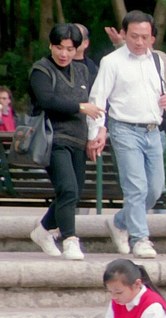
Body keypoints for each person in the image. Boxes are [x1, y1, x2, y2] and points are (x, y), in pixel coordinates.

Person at [87, 10, 166, 259]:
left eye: (145, 37)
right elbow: (98, 98)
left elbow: (159, 93)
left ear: (152, 38)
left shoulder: (156, 60)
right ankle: (140, 239)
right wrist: (96, 131)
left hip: (152, 130)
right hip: (124, 128)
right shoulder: (112, 62)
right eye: (134, 36)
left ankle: (119, 222)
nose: (139, 42)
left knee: (154, 189)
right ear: (124, 34)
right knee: (136, 187)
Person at [27, 23, 104, 261]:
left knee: (73, 192)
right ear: (51, 46)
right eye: (59, 47)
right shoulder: (41, 69)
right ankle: (70, 240)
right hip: (53, 139)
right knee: (67, 189)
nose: (64, 54)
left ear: (77, 49)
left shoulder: (82, 71)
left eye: (70, 49)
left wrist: (97, 132)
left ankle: (42, 231)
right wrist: (80, 107)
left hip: (78, 140)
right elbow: (47, 101)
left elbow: (97, 103)